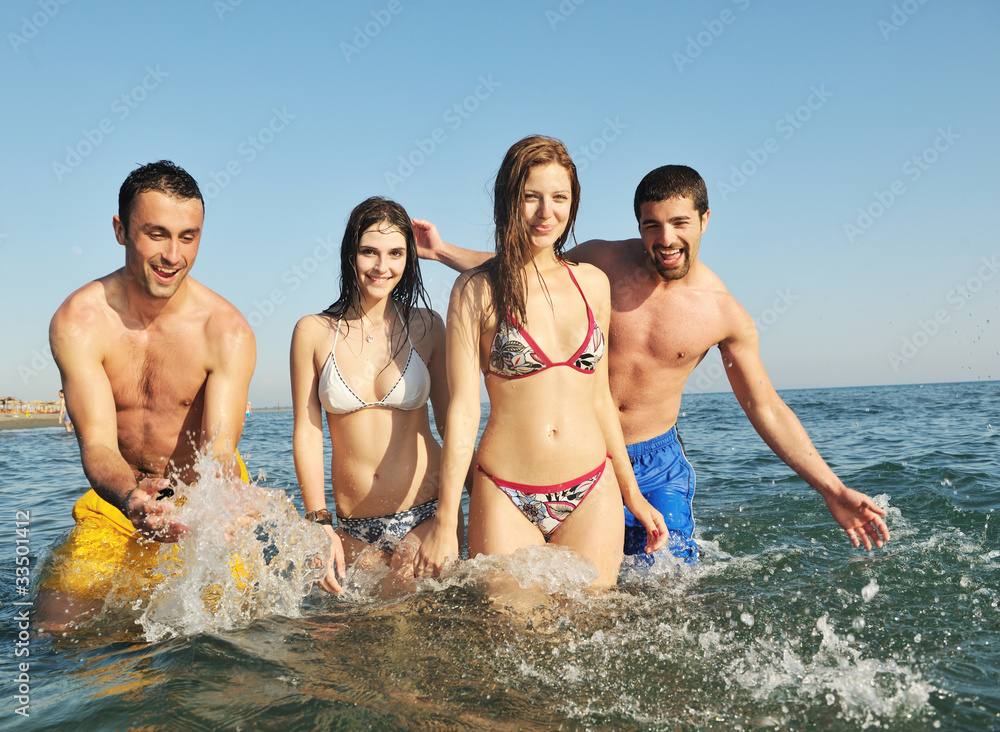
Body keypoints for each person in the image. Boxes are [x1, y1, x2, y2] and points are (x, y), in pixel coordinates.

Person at [416, 163, 890, 562]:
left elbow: (764, 406)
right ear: (638, 224)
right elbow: (529, 271)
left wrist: (831, 487)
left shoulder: (723, 314)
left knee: (662, 587)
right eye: (652, 225)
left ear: (705, 220)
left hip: (654, 462)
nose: (666, 239)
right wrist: (443, 252)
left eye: (680, 223)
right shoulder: (602, 263)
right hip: (581, 456)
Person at [412, 136, 667, 587]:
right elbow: (463, 412)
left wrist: (634, 494)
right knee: (508, 641)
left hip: (592, 486)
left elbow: (601, 400)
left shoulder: (593, 284)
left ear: (573, 203)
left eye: (559, 198)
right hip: (505, 490)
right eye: (531, 196)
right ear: (509, 199)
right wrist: (446, 519)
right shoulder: (475, 290)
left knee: (592, 638)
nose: (545, 212)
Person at [39, 160, 256, 627]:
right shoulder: (79, 321)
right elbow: (96, 443)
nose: (172, 255)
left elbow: (219, 453)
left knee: (237, 632)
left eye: (188, 236)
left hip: (202, 504)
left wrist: (216, 510)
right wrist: (134, 497)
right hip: (117, 502)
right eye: (156, 233)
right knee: (55, 629)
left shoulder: (226, 331)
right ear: (121, 230)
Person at [290, 197, 453, 595]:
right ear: (351, 254)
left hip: (426, 512)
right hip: (351, 526)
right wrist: (318, 521)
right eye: (369, 252)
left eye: (396, 253)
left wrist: (470, 503)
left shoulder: (428, 327)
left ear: (408, 258)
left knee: (402, 613)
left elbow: (452, 424)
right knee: (353, 642)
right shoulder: (313, 332)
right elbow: (308, 433)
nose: (382, 267)